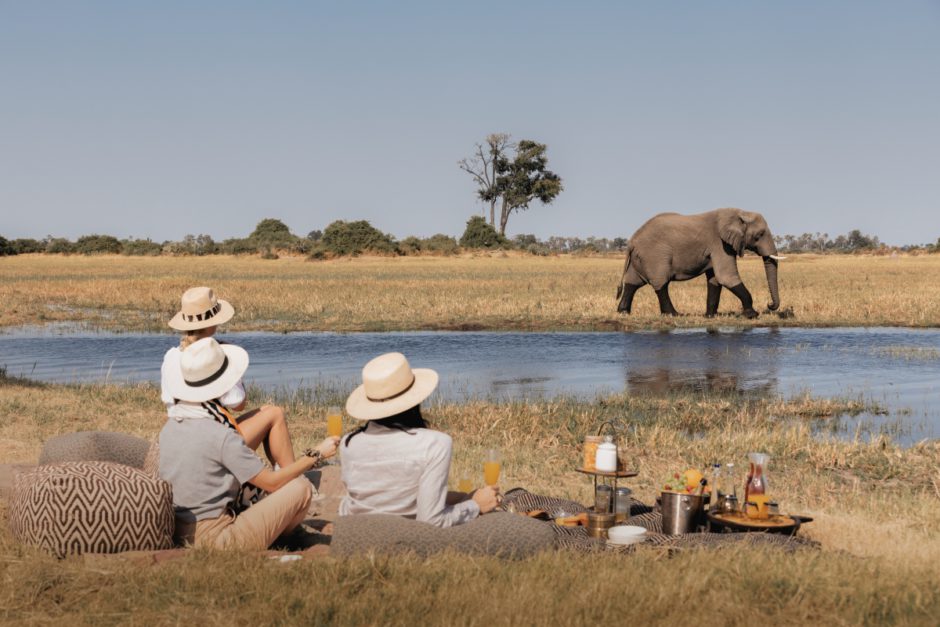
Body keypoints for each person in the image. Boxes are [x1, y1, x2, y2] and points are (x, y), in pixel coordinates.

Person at [159, 336, 340, 549]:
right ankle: (287, 535)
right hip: (217, 539)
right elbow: (272, 482)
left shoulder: (170, 426)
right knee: (299, 488)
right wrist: (316, 455)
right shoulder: (221, 435)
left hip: (178, 530)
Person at [339, 352, 500, 527]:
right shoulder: (436, 443)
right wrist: (475, 506)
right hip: (405, 533)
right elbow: (431, 520)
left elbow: (383, 495)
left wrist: (463, 499)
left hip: (354, 528)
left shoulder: (348, 442)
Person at [162, 286, 296, 468]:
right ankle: (291, 477)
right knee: (275, 414)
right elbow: (239, 404)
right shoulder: (216, 358)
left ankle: (282, 471)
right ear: (212, 323)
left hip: (179, 436)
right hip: (211, 445)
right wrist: (231, 366)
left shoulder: (171, 356)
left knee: (265, 410)